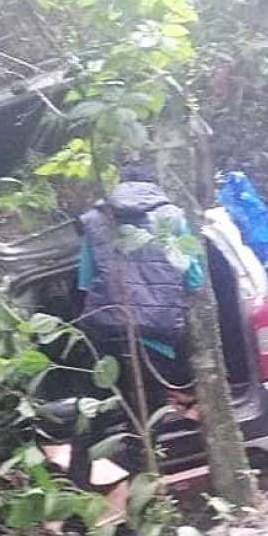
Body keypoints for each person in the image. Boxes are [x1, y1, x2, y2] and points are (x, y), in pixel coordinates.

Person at [68, 162, 203, 485]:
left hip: (104, 337)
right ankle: (141, 509)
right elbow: (194, 278)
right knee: (144, 428)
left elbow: (85, 283)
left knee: (91, 421)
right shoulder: (173, 218)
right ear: (154, 185)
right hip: (155, 339)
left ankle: (75, 502)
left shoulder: (96, 220)